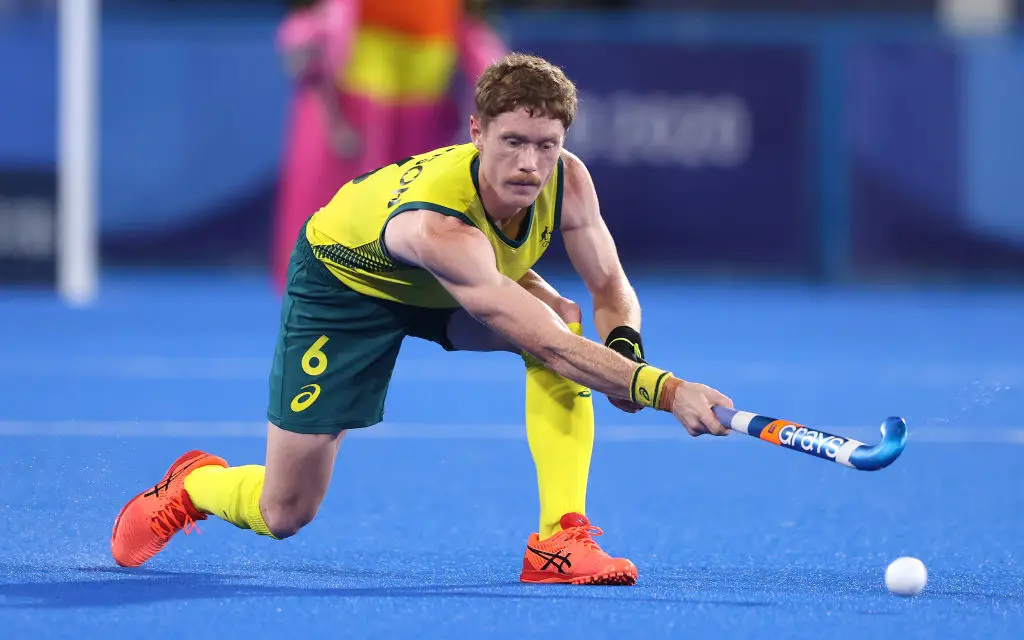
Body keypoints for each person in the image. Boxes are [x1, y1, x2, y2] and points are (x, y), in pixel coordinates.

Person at [111, 53, 734, 586]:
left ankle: (559, 540)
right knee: (285, 512)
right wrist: (666, 391)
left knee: (562, 322)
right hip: (347, 286)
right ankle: (193, 487)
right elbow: (547, 344)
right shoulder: (440, 226)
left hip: (462, 278)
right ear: (476, 133)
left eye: (546, 145)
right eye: (512, 142)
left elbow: (609, 286)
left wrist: (626, 349)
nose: (530, 164)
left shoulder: (567, 182)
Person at [271, 0, 507, 293]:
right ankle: (326, 273)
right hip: (361, 92)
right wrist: (331, 114)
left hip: (422, 94)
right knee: (348, 191)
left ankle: (410, 274)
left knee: (415, 195)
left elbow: (475, 40)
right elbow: (308, 49)